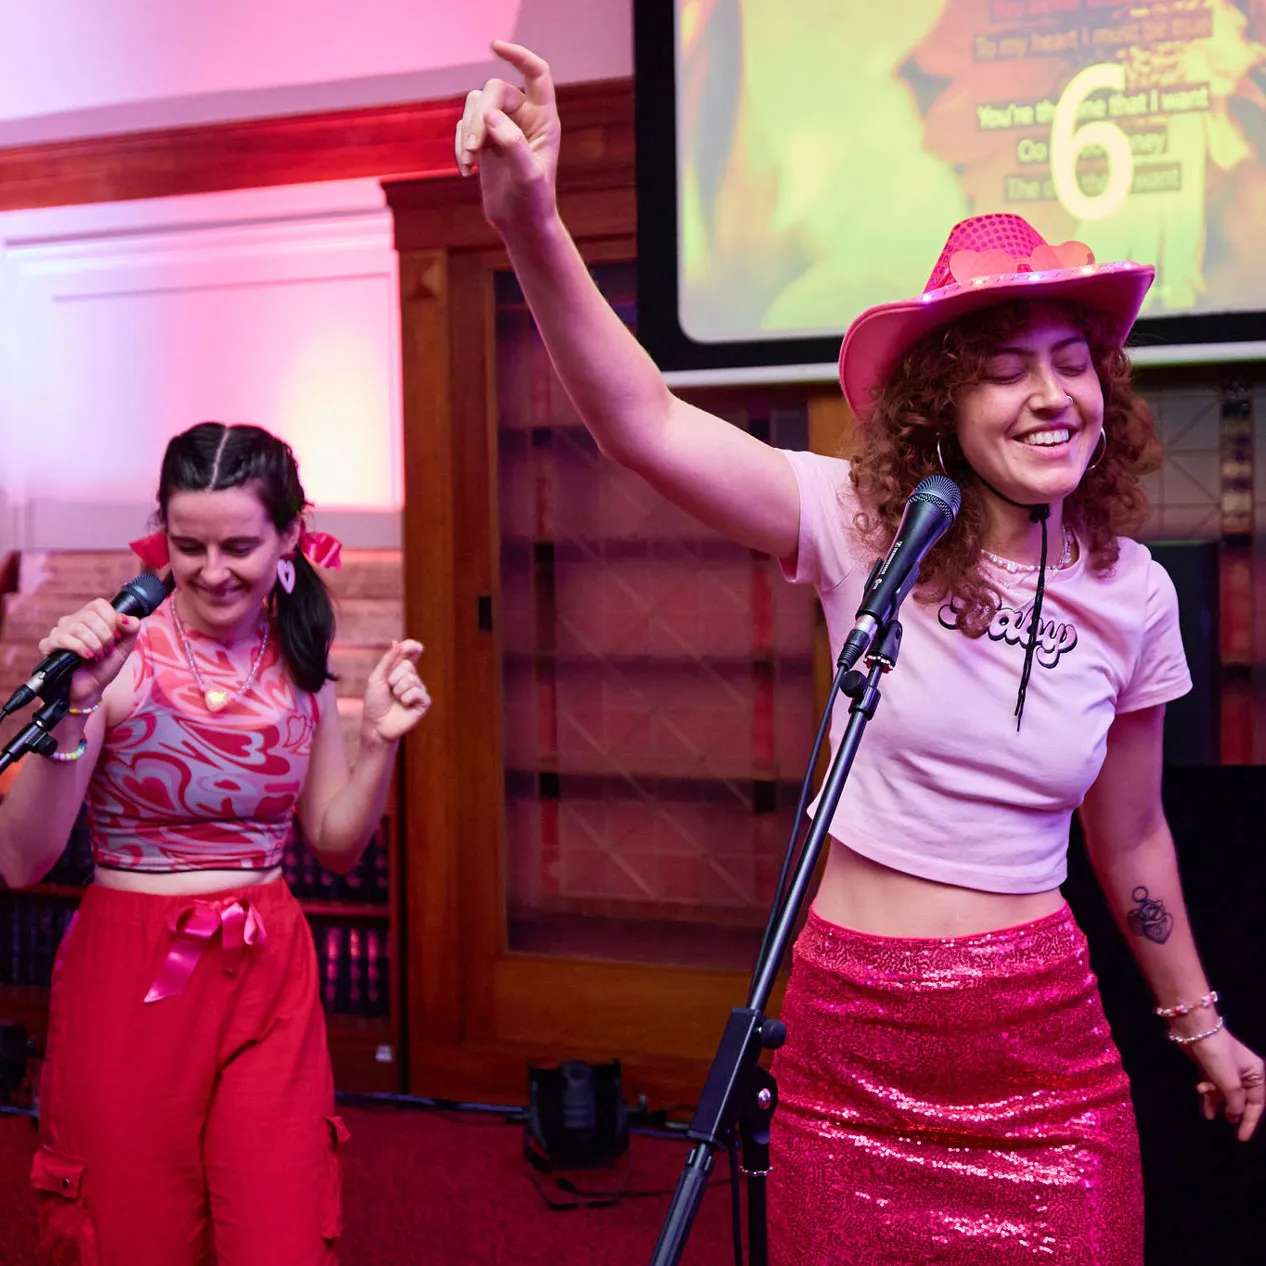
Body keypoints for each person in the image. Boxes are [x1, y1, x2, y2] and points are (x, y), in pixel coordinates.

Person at [455, 42, 1265, 1265]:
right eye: (1005, 370)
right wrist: (531, 224)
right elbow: (640, 423)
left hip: (1040, 1048)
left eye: (1072, 365)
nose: (1052, 396)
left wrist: (1198, 1021)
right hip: (854, 1041)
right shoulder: (859, 525)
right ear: (942, 403)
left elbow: (1133, 831)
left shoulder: (1133, 594)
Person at [0, 422, 430, 1266]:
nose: (210, 570)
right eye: (187, 545)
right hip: (130, 975)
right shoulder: (117, 657)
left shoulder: (300, 654)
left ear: (290, 538)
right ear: (162, 531)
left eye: (239, 544)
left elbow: (335, 844)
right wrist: (77, 706)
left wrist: (378, 743)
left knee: (278, 1229)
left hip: (267, 968)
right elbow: (23, 861)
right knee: (134, 1234)